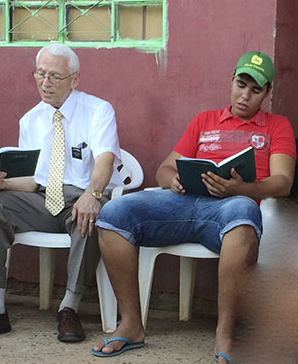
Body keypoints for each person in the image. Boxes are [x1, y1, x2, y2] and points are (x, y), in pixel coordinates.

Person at [93, 51, 296, 361]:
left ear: (267, 93)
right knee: (113, 213)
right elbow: (164, 169)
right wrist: (172, 180)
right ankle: (131, 323)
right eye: (241, 85)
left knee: (242, 212)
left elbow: (283, 181)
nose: (245, 95)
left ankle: (225, 334)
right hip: (183, 203)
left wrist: (241, 188)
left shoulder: (276, 126)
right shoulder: (205, 120)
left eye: (256, 90)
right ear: (231, 82)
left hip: (231, 210)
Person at [0, 44, 122, 343]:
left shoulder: (98, 110)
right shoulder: (30, 119)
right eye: (40, 74)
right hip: (42, 198)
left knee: (94, 214)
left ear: (75, 79)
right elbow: (34, 180)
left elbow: (106, 158)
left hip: (81, 196)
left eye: (55, 76)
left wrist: (93, 194)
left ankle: (69, 308)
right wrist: (1, 182)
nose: (45, 83)